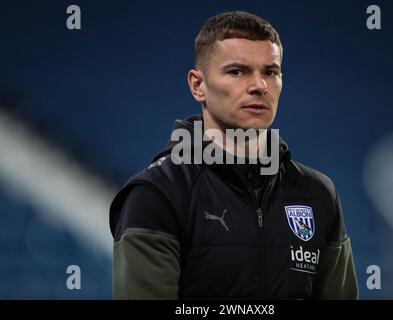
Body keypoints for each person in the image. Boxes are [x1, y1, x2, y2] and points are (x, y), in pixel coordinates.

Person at [109, 11, 358, 299]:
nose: (259, 86)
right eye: (237, 71)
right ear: (197, 85)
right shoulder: (157, 194)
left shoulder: (318, 194)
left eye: (270, 72)